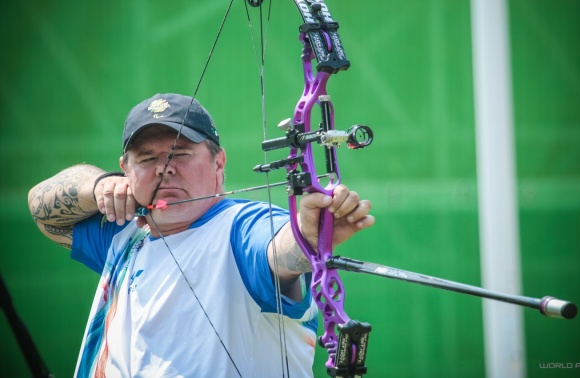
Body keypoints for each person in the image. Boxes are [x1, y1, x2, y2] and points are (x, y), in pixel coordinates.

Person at [27, 93, 374, 378]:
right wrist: (98, 187)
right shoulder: (124, 236)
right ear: (126, 170)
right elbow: (43, 212)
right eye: (147, 159)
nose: (165, 168)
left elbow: (280, 251)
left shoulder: (242, 228)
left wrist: (307, 236)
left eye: (180, 153)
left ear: (219, 164)